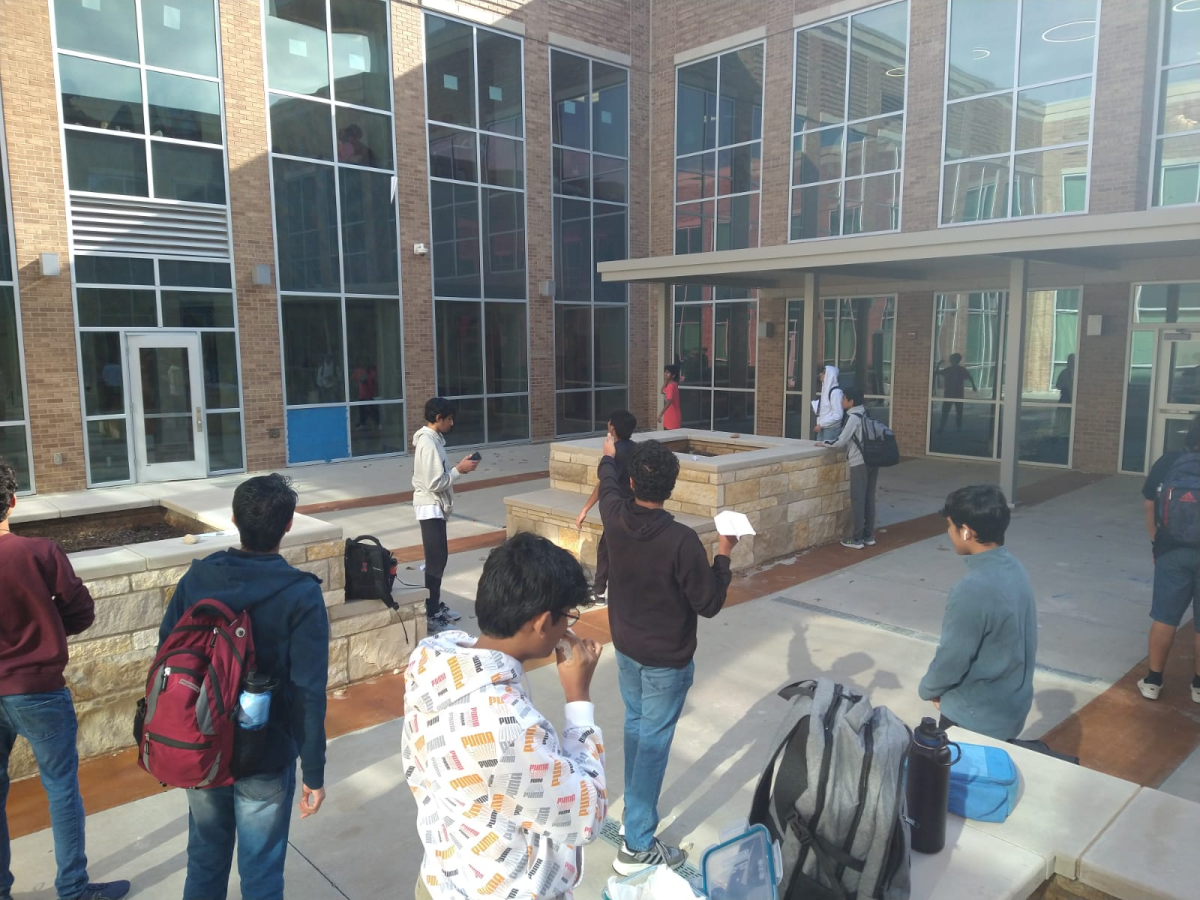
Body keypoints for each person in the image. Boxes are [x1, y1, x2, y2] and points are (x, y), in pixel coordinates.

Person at [402, 533, 606, 900]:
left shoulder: (433, 663)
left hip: (440, 879)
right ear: (543, 622)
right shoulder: (505, 725)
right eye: (568, 618)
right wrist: (578, 699)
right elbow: (585, 815)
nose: (569, 628)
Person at [159, 474, 329, 900]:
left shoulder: (198, 577)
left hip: (203, 741)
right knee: (261, 873)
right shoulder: (300, 594)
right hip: (265, 752)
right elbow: (308, 690)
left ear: (233, 519)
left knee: (205, 858)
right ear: (288, 525)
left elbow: (165, 653)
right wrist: (314, 771)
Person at [597, 436, 738, 874]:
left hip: (626, 648)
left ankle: (632, 818)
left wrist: (609, 452)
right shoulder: (681, 542)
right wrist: (724, 554)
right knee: (653, 741)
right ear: (671, 488)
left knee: (638, 727)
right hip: (664, 661)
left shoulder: (614, 514)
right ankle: (636, 845)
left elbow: (605, 480)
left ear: (633, 480)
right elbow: (709, 603)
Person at [0, 460, 130, 900]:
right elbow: (81, 611)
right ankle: (73, 889)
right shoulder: (38, 552)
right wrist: (45, 627)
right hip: (37, 690)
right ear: (13, 501)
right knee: (60, 788)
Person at [918, 485, 1037, 741]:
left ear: (966, 531)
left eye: (950, 526)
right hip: (1010, 711)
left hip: (974, 719)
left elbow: (952, 658)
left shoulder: (972, 589)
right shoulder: (1015, 568)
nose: (948, 533)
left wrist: (928, 689)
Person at [1137, 414, 1200, 703]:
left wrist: (1156, 542)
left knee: (1164, 617)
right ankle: (1198, 686)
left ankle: (1153, 681)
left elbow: (1150, 504)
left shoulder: (1169, 462)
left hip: (1172, 550)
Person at [412, 397, 480, 633]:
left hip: (436, 507)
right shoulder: (428, 443)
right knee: (435, 561)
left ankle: (434, 605)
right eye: (449, 419)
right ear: (438, 418)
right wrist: (459, 470)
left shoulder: (435, 440)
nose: (452, 423)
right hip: (429, 506)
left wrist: (456, 469)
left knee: (439, 559)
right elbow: (434, 482)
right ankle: (431, 613)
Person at [575, 410, 638, 600]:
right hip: (636, 508)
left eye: (609, 423)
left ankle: (600, 590)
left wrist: (585, 509)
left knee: (606, 550)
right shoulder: (637, 449)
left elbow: (604, 483)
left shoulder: (613, 454)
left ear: (613, 427)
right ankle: (606, 588)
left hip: (617, 509)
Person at [824, 387, 878, 550]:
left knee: (858, 499)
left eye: (844, 399)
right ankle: (868, 536)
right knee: (869, 498)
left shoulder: (853, 418)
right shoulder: (866, 413)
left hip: (859, 462)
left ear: (851, 402)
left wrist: (825, 443)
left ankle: (857, 539)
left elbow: (840, 441)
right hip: (873, 461)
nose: (841, 402)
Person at [937, 353, 976, 432]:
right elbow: (970, 377)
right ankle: (958, 427)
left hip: (949, 394)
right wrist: (973, 386)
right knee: (959, 411)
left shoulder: (949, 370)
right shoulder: (961, 369)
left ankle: (942, 427)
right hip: (958, 394)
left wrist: (938, 364)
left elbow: (936, 373)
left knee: (945, 411)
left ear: (952, 360)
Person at [813, 365, 845, 441]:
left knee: (827, 452)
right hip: (823, 428)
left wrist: (821, 424)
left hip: (831, 430)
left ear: (830, 375)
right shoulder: (825, 389)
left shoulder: (835, 392)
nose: (821, 374)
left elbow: (838, 415)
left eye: (824, 373)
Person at [659, 364, 682, 430]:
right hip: (670, 416)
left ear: (673, 375)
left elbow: (669, 401)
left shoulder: (671, 386)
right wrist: (666, 381)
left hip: (672, 418)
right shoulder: (673, 384)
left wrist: (661, 414)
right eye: (665, 372)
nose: (665, 374)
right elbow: (662, 391)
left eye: (668, 372)